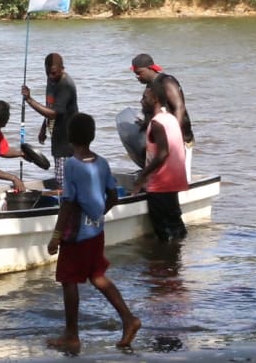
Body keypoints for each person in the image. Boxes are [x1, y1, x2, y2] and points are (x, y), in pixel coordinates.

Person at [46, 114, 141, 354]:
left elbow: (67, 204)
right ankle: (128, 319)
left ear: (70, 136)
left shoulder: (71, 165)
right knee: (97, 276)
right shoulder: (102, 162)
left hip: (76, 234)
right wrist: (97, 214)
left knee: (69, 281)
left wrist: (56, 236)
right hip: (96, 231)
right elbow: (113, 196)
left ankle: (71, 336)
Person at [134, 79, 189, 241]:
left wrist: (142, 176)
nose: (141, 101)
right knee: (177, 225)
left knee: (163, 232)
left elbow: (163, 153)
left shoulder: (157, 123)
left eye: (145, 97)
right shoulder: (171, 119)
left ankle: (165, 263)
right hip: (173, 183)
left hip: (159, 186)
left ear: (155, 99)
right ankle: (176, 260)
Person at [21, 52, 79, 188]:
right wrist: (43, 128)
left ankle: (65, 203)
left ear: (62, 68)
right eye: (48, 73)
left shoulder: (65, 85)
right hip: (57, 135)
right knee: (62, 174)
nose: (50, 77)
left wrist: (29, 99)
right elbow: (50, 105)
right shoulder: (52, 80)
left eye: (53, 73)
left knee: (63, 182)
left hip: (68, 139)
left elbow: (53, 113)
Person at [131, 53, 195, 146]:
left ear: (150, 68)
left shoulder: (167, 82)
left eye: (139, 72)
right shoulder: (151, 84)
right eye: (135, 73)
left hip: (179, 139)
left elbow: (179, 107)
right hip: (161, 138)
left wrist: (172, 135)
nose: (137, 76)